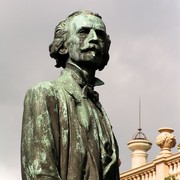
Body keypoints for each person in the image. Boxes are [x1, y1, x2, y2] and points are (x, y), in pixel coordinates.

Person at [21, 10, 120, 180]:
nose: (95, 38)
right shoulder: (44, 93)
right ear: (64, 45)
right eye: (84, 32)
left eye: (100, 34)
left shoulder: (98, 109)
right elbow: (41, 172)